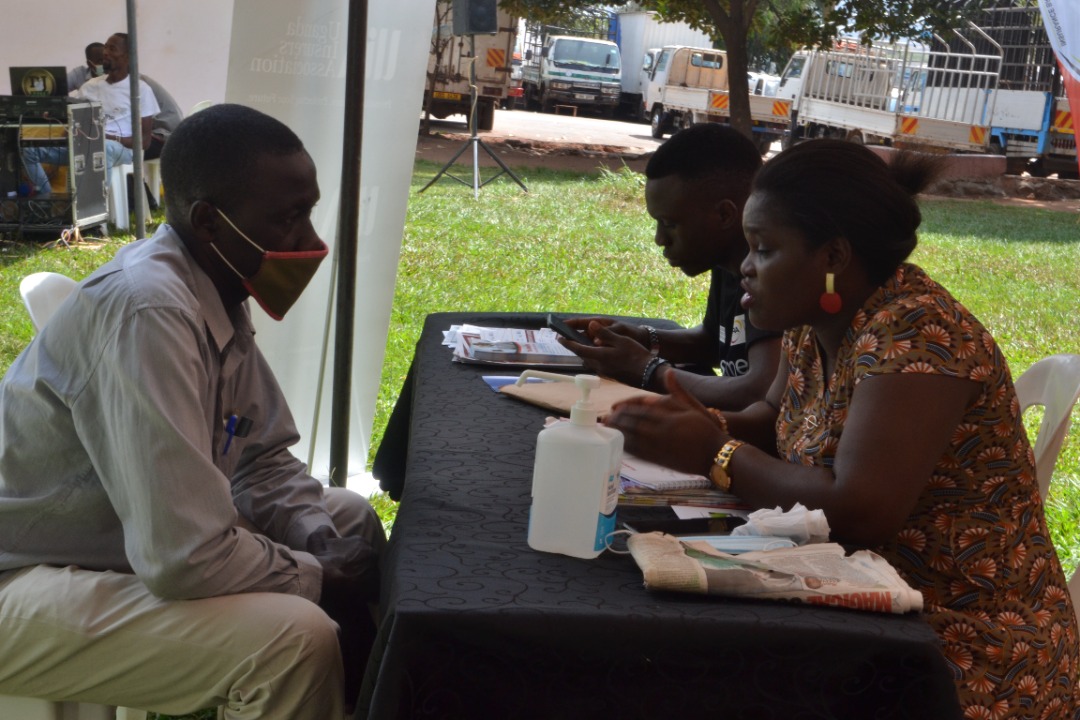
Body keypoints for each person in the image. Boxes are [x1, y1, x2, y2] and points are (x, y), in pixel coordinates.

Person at [606, 139, 1079, 716]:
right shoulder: (819, 320)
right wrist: (681, 425)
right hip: (859, 596)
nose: (746, 267)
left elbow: (858, 509)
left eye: (764, 248)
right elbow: (766, 422)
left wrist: (714, 450)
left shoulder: (918, 337)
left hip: (958, 650)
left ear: (832, 257)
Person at [0, 104, 385, 719]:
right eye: (289, 218)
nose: (310, 243)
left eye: (309, 212)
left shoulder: (214, 288)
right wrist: (316, 574)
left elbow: (258, 461)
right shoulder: (149, 311)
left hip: (111, 541)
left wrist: (318, 540)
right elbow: (185, 557)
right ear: (210, 221)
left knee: (348, 518)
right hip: (23, 575)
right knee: (292, 642)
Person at [559, 124, 780, 410]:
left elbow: (760, 391)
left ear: (725, 214)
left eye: (670, 224)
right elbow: (713, 343)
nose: (660, 240)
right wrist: (640, 337)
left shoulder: (774, 278)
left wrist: (648, 370)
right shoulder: (727, 263)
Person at [21, 32, 159, 197]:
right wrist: (60, 122)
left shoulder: (140, 89)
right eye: (106, 47)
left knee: (102, 148)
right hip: (82, 145)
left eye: (112, 48)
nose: (105, 52)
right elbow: (73, 121)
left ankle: (93, 212)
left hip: (120, 148)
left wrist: (105, 137)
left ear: (128, 57)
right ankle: (49, 201)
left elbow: (144, 142)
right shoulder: (89, 86)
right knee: (27, 150)